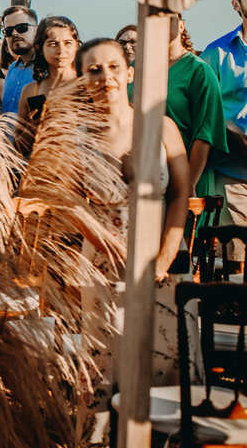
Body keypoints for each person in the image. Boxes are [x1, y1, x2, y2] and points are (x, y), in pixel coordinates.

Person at [76, 38, 191, 383]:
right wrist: (113, 249)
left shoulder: (162, 127)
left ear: (129, 73)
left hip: (162, 256)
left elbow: (181, 194)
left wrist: (165, 257)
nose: (105, 77)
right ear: (82, 79)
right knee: (108, 361)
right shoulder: (75, 136)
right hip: (104, 259)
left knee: (167, 356)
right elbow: (69, 203)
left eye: (113, 67)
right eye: (94, 70)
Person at [158, 13, 226, 198]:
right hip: (143, 175)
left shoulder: (199, 71)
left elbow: (205, 134)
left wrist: (187, 185)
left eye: (168, 18)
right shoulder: (135, 68)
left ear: (181, 25)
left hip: (187, 175)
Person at [202, 0, 247, 232]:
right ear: (236, 4)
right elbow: (204, 111)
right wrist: (230, 130)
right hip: (233, 172)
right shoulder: (216, 53)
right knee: (236, 249)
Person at [17, 15, 79, 124]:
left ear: (76, 46)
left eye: (68, 43)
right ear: (40, 48)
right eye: (53, 44)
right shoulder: (31, 91)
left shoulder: (88, 86)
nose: (61, 50)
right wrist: (32, 127)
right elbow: (19, 133)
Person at [0, 5, 39, 113]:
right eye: (8, 31)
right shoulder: (12, 69)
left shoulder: (47, 68)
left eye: (22, 28)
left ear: (36, 30)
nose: (14, 33)